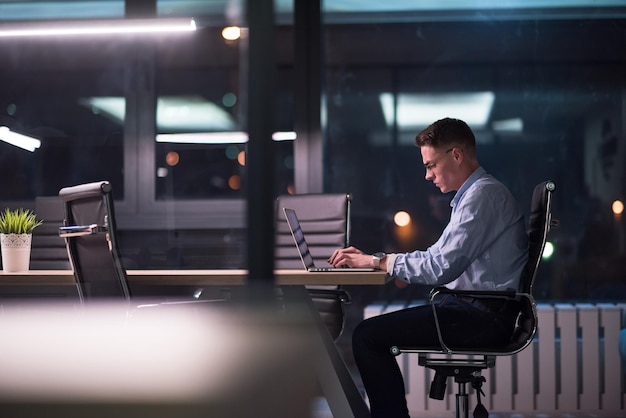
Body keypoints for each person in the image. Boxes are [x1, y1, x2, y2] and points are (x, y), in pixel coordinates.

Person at [328, 117, 528, 418]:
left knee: (367, 336)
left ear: (456, 155)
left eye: (431, 165)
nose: (427, 175)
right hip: (477, 310)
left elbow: (440, 266)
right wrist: (378, 259)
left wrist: (377, 261)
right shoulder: (476, 196)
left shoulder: (482, 196)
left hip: (481, 316)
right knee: (372, 333)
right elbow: (438, 256)